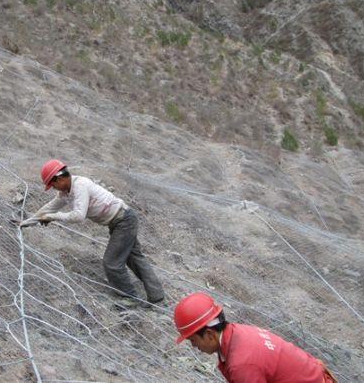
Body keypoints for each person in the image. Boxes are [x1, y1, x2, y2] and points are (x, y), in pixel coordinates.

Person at [20, 159, 164, 307]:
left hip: (124, 221)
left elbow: (78, 216)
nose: (54, 189)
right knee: (134, 258)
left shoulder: (80, 185)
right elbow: (49, 208)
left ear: (61, 178)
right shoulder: (65, 192)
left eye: (53, 184)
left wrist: (53, 217)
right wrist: (26, 223)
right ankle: (156, 296)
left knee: (112, 262)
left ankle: (130, 298)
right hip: (120, 221)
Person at [173, 292, 338, 383]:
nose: (194, 347)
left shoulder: (242, 364)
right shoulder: (238, 332)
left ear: (209, 334)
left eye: (193, 340)